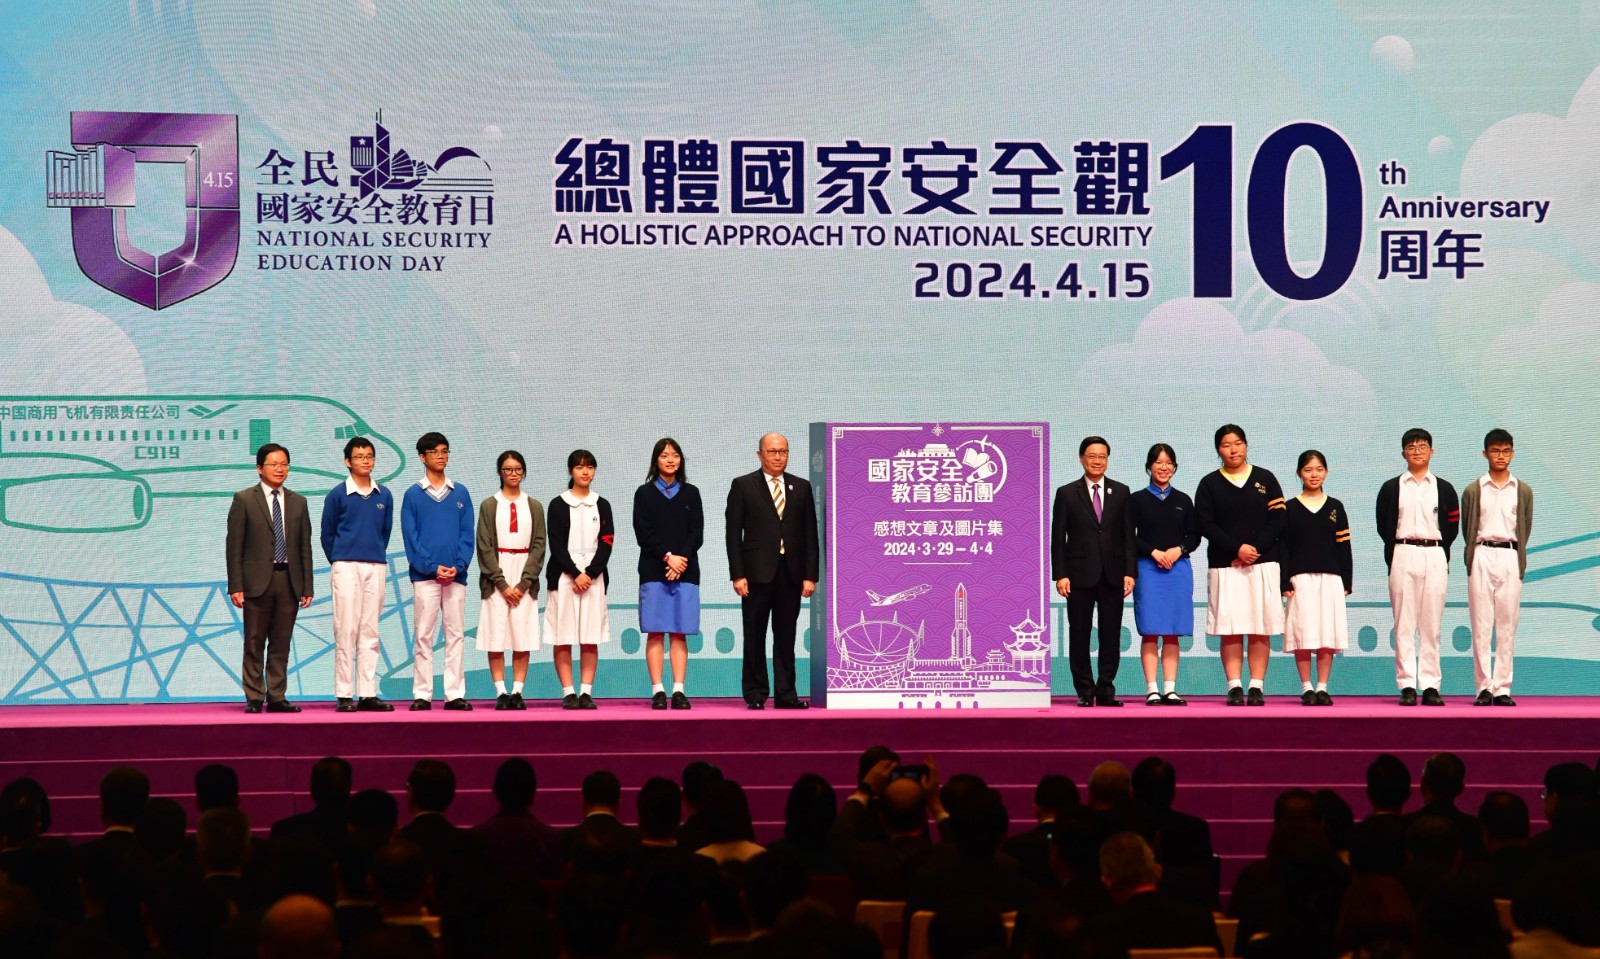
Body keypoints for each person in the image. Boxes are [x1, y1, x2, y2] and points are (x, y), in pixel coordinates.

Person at [1195, 424, 1287, 705]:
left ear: (1246, 445)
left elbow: (1279, 519)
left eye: (1238, 443)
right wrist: (1236, 548)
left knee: (1260, 627)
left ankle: (1256, 686)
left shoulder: (1265, 478)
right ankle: (1234, 686)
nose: (1233, 450)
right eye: (1226, 445)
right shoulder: (1209, 483)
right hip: (1226, 565)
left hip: (1262, 563)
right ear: (1218, 450)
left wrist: (1254, 550)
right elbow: (1205, 524)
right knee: (1231, 628)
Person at [725, 432, 819, 709]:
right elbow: (733, 535)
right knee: (754, 635)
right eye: (772, 452)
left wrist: (810, 575)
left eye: (783, 452)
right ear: (760, 454)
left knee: (786, 636)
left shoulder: (801, 487)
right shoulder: (743, 485)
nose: (778, 457)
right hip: (755, 574)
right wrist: (738, 574)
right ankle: (755, 694)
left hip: (791, 574)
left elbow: (810, 534)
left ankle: (786, 694)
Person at [1376, 428, 1460, 707]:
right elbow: (1383, 525)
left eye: (1422, 446)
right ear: (1403, 453)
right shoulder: (1392, 487)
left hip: (1435, 553)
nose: (1417, 451)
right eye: (1411, 447)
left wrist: (1437, 548)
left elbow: (1452, 526)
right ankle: (1407, 685)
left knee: (1431, 624)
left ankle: (1431, 685)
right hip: (1402, 552)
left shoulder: (1444, 488)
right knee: (1404, 623)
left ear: (1432, 452)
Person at [226, 442, 313, 713]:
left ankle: (276, 696)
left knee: (281, 641)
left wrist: (307, 586)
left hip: (289, 580)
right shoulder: (244, 499)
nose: (280, 469)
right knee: (254, 641)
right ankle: (254, 696)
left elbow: (305, 548)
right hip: (256, 582)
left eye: (284, 464)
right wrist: (236, 585)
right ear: (259, 468)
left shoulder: (299, 502)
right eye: (274, 464)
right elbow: (234, 546)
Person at [1051, 435, 1136, 707]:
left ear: (1107, 460)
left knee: (1111, 634)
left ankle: (1106, 689)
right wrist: (1060, 574)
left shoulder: (1121, 492)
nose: (1097, 461)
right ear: (1081, 459)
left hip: (1113, 574)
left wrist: (1130, 572)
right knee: (1079, 634)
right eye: (1092, 456)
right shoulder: (1067, 493)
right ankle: (1085, 691)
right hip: (1078, 576)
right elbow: (1058, 538)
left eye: (1102, 456)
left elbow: (1128, 536)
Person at [401, 432, 475, 711]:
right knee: (423, 635)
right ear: (422, 457)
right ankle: (422, 694)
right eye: (435, 452)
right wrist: (432, 568)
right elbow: (411, 539)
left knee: (455, 635)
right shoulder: (413, 495)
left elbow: (467, 534)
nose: (441, 456)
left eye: (445, 451)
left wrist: (459, 566)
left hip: (456, 576)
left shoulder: (460, 493)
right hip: (425, 578)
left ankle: (454, 694)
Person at [321, 436, 395, 713]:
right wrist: (340, 558)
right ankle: (344, 693)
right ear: (347, 461)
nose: (365, 461)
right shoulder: (338, 494)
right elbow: (327, 534)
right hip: (346, 565)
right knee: (346, 629)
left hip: (375, 565)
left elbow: (384, 532)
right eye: (359, 457)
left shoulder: (384, 495)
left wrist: (372, 553)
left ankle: (367, 693)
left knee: (370, 630)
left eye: (369, 456)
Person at [1462, 428, 1532, 707]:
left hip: (1510, 555)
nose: (1500, 456)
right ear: (1485, 454)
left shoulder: (1522, 490)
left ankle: (1502, 687)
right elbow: (1467, 527)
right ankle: (1484, 687)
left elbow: (1525, 527)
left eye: (1505, 451)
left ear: (1512, 453)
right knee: (1481, 623)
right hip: (1481, 553)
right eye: (1495, 451)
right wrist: (1473, 555)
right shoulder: (1474, 489)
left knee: (1507, 624)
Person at [1129, 442, 1201, 705]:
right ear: (1149, 466)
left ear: (1175, 467)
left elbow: (1194, 536)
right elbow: (1128, 536)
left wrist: (1178, 550)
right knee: (1150, 630)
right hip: (1148, 569)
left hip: (1177, 570)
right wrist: (1153, 552)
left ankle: (1170, 689)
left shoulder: (1183, 500)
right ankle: (1152, 689)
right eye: (1158, 462)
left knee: (1172, 631)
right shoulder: (1136, 499)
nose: (1163, 467)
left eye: (1169, 463)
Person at [633, 437, 704, 710]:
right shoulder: (644, 493)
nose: (670, 459)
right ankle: (658, 690)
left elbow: (696, 532)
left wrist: (680, 560)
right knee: (655, 632)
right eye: (664, 455)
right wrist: (667, 557)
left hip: (685, 570)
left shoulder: (691, 493)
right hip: (654, 570)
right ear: (656, 461)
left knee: (679, 632)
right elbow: (643, 533)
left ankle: (678, 690)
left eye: (675, 455)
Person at [1280, 451, 1353, 706]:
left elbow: (1344, 546)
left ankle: (1322, 687)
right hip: (1299, 580)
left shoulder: (1335, 507)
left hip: (1331, 579)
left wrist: (1347, 581)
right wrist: (1284, 581)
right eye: (1308, 470)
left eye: (1319, 469)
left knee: (1326, 634)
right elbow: (1283, 547)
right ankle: (1307, 687)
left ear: (1326, 472)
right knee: (1302, 633)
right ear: (1299, 473)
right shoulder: (1289, 508)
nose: (1314, 475)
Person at [476, 450, 546, 711]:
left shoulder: (534, 506)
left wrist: (524, 583)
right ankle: (501, 691)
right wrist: (503, 585)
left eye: (517, 469)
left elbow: (539, 546)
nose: (513, 474)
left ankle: (517, 691)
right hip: (497, 576)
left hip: (524, 574)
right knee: (496, 636)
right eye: (508, 469)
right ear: (500, 473)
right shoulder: (489, 505)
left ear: (523, 472)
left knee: (521, 636)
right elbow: (484, 546)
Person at [545, 449, 614, 710]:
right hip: (564, 577)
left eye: (590, 467)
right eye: (579, 467)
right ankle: (568, 691)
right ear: (570, 471)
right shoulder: (558, 504)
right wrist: (575, 573)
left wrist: (590, 573)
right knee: (563, 636)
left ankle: (586, 692)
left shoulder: (602, 504)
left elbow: (607, 542)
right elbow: (556, 544)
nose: (585, 472)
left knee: (590, 635)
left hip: (593, 578)